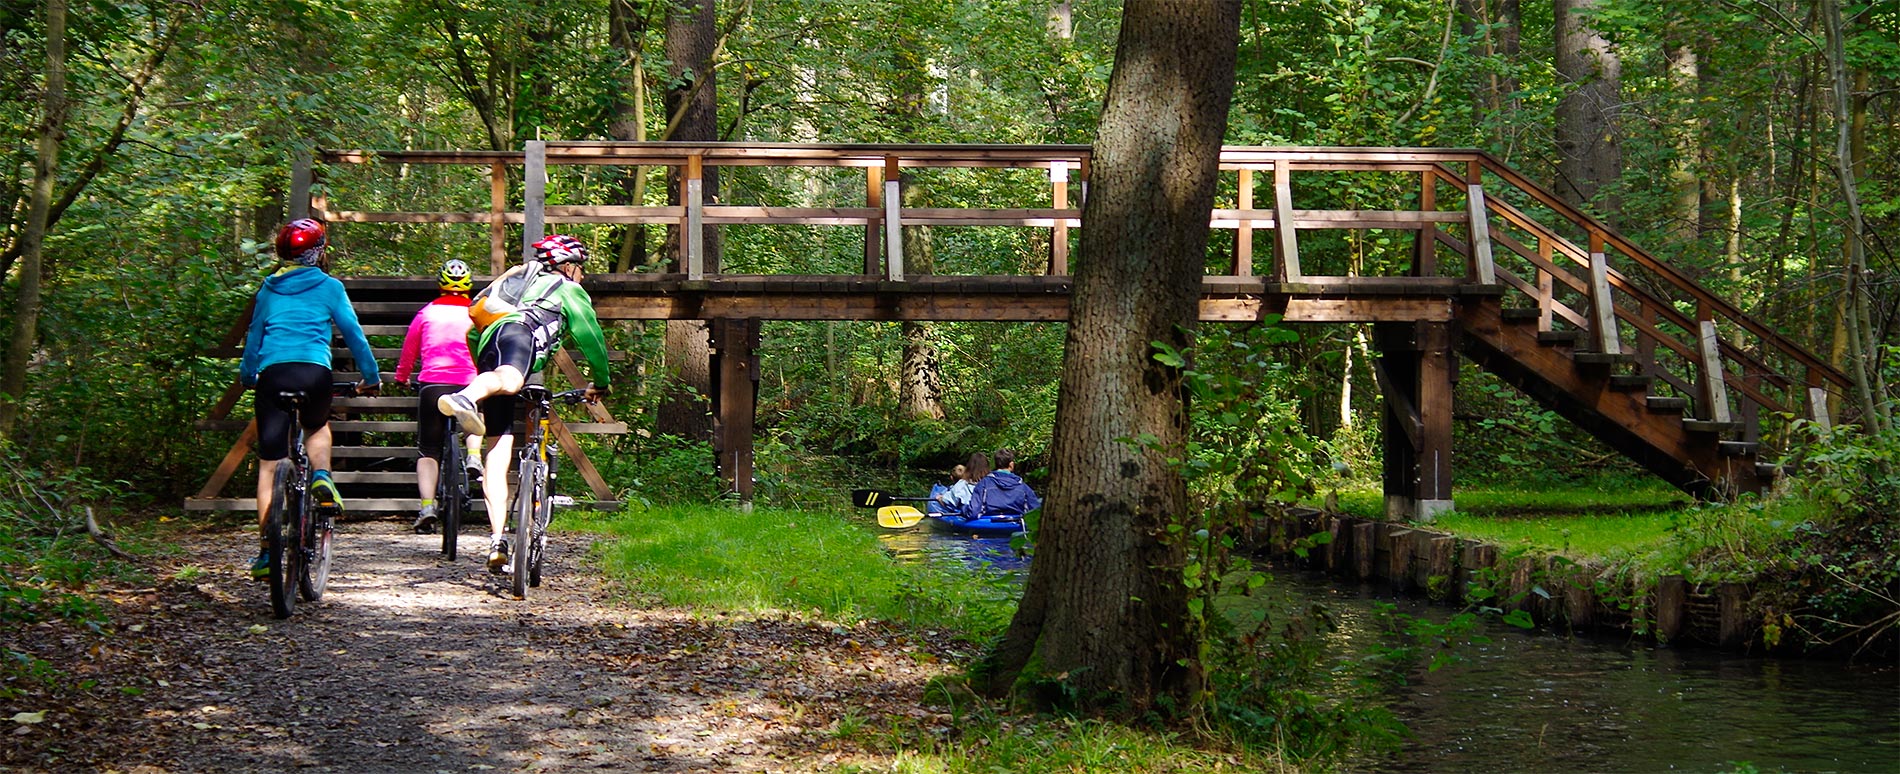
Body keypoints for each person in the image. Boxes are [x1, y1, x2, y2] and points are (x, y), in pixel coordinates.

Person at [436, 234, 611, 574]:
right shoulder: (567, 289)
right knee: (512, 379)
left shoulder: (517, 283)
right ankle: (465, 396)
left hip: (490, 342)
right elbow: (591, 337)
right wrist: (601, 382)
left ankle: (498, 539)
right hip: (518, 339)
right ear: (568, 266)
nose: (584, 276)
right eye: (581, 269)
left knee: (499, 449)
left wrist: (482, 371)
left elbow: (474, 331)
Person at [239, 218, 379, 579]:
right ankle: (321, 475)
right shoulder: (330, 287)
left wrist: (248, 376)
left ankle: (267, 553)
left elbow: (254, 338)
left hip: (273, 375)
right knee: (316, 426)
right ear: (319, 252)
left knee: (270, 464)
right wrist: (372, 377)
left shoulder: (268, 290)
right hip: (314, 372)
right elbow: (354, 334)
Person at [394, 259, 483, 534]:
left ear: (440, 284)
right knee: (477, 413)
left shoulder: (426, 313)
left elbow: (410, 349)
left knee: (429, 450)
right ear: (469, 286)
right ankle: (474, 456)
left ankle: (427, 506)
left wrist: (401, 376)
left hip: (433, 384)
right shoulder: (476, 313)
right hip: (468, 381)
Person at [967, 448, 1039, 520]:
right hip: (1015, 526)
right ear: (1011, 465)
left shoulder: (983, 484)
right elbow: (1036, 512)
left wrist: (963, 508)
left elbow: (973, 512)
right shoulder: (1024, 487)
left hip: (988, 526)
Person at [936, 453, 989, 518]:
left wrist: (940, 498)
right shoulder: (992, 482)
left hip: (970, 515)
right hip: (987, 514)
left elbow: (947, 501)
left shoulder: (962, 484)